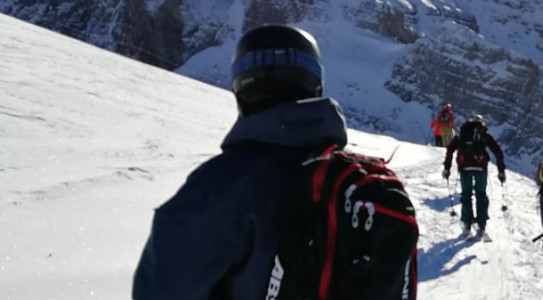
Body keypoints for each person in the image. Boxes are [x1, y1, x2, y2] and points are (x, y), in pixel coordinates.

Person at [133, 25, 416, 299]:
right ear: (314, 84)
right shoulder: (344, 180)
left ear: (240, 90)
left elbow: (162, 287)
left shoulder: (219, 186)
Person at [442, 115, 506, 237]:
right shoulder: (484, 135)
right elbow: (498, 151)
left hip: (465, 168)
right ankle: (481, 225)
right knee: (481, 195)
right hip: (481, 169)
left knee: (466, 195)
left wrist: (447, 168)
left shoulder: (462, 134)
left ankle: (467, 224)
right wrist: (501, 170)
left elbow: (450, 149)